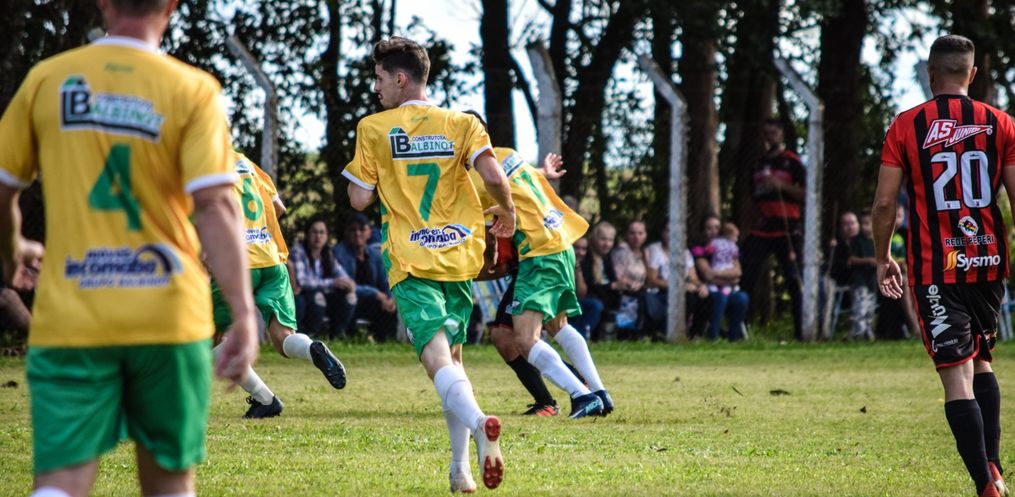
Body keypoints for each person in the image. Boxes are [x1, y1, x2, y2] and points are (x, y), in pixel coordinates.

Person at [0, 1, 259, 496]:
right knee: (169, 484)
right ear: (171, 6)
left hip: (73, 315)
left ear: (103, 2)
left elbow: (3, 190)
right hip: (167, 317)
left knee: (60, 480)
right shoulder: (192, 89)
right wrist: (244, 314)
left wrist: (12, 252)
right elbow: (215, 206)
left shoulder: (49, 80)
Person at [342, 37, 512, 492]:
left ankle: (479, 423)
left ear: (400, 79)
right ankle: (461, 470)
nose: (376, 88)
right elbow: (494, 176)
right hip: (458, 256)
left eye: (379, 78)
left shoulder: (374, 128)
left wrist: (377, 176)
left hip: (411, 259)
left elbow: (358, 199)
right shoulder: (462, 123)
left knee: (436, 358)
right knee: (454, 361)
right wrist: (510, 213)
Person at [873, 34, 1014, 497]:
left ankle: (985, 485)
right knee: (982, 360)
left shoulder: (906, 126)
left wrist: (882, 257)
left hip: (936, 268)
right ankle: (994, 468)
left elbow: (884, 205)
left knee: (957, 374)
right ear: (972, 74)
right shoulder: (1001, 124)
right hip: (988, 262)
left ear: (931, 75)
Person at [464, 110, 610, 420]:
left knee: (525, 339)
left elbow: (485, 239)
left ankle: (582, 395)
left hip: (538, 254)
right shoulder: (507, 154)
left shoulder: (475, 179)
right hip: (561, 242)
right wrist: (544, 171)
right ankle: (598, 392)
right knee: (558, 326)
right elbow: (522, 179)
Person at [211, 152, 347, 419]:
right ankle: (310, 349)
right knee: (283, 337)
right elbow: (279, 208)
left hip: (236, 262)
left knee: (209, 338)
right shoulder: (246, 162)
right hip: (272, 261)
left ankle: (264, 398)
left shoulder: (201, 161)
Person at [739, 118, 806, 340]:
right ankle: (741, 328)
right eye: (766, 133)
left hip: (787, 229)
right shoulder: (757, 165)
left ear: (782, 134)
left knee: (794, 280)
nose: (770, 137)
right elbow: (750, 199)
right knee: (746, 276)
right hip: (761, 229)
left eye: (774, 133)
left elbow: (807, 194)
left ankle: (802, 331)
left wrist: (781, 186)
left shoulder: (792, 162)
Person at [334, 213, 398, 343]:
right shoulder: (339, 253)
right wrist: (375, 293)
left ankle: (385, 342)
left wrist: (390, 298)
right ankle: (344, 338)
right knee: (349, 298)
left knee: (389, 306)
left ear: (369, 233)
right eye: (353, 230)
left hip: (373, 300)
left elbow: (385, 283)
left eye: (362, 229)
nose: (357, 233)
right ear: (346, 232)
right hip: (349, 297)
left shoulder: (376, 255)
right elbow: (348, 285)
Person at [290, 219, 356, 340]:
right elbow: (303, 282)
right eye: (314, 232)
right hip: (304, 295)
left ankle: (338, 336)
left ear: (326, 236)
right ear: (307, 234)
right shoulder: (298, 251)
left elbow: (341, 274)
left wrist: (349, 284)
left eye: (322, 232)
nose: (318, 236)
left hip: (325, 294)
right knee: (318, 297)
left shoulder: (327, 254)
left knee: (351, 297)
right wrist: (333, 283)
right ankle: (312, 336)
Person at [645, 221, 710, 339]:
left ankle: (695, 333)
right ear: (663, 233)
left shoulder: (685, 253)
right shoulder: (655, 250)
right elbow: (652, 280)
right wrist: (680, 286)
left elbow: (693, 277)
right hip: (661, 291)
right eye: (668, 231)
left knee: (703, 295)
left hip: (682, 289)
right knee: (688, 296)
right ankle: (678, 332)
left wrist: (701, 286)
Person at [693, 215, 749, 342]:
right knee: (721, 297)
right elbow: (707, 275)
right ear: (703, 231)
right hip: (707, 292)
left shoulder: (730, 247)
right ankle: (713, 335)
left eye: (717, 227)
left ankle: (734, 336)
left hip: (728, 289)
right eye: (709, 228)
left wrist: (717, 274)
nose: (713, 231)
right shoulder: (700, 250)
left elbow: (738, 273)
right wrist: (729, 278)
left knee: (742, 297)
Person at [580, 222, 621, 339]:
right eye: (603, 239)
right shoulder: (587, 257)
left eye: (610, 240)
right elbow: (589, 286)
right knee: (597, 305)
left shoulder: (606, 258)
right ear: (594, 238)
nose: (607, 244)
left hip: (603, 297)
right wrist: (611, 286)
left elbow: (612, 280)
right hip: (587, 298)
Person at [611, 220, 649, 338]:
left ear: (645, 235)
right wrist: (633, 285)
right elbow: (619, 277)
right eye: (632, 233)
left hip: (643, 292)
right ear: (626, 235)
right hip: (625, 293)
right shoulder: (621, 251)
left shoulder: (645, 253)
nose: (636, 237)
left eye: (640, 233)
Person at [847, 211, 877, 341]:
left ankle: (868, 333)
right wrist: (868, 261)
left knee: (870, 308)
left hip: (871, 280)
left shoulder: (876, 241)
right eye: (863, 224)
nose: (866, 227)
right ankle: (857, 333)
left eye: (868, 224)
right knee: (860, 307)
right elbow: (851, 259)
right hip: (860, 280)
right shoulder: (856, 240)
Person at [571, 237, 603, 340]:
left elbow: (581, 293)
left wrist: (578, 269)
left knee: (595, 305)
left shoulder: (587, 263)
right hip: (559, 302)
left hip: (577, 301)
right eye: (576, 248)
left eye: (583, 249)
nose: (580, 252)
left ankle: (580, 336)